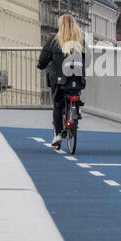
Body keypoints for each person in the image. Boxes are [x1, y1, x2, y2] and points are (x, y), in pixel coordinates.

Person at [36, 14, 87, 150]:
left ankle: (57, 134)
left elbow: (44, 58)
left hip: (58, 80)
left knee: (58, 105)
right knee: (75, 95)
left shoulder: (54, 40)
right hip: (76, 79)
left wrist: (41, 65)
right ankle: (75, 111)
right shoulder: (80, 40)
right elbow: (86, 60)